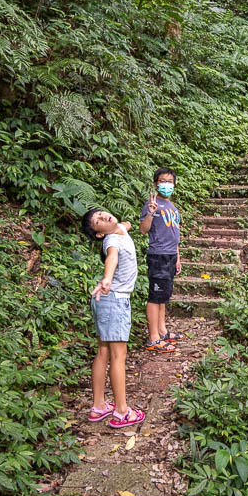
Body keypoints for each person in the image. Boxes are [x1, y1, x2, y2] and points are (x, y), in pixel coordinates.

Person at [82, 208, 146, 429]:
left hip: (106, 301)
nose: (103, 217)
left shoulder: (118, 229)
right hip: (115, 300)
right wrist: (107, 278)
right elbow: (112, 257)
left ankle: (99, 406)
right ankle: (121, 411)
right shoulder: (111, 241)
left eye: (101, 213)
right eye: (98, 221)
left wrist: (124, 224)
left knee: (103, 352)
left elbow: (125, 224)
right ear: (99, 234)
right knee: (118, 356)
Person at [139, 167, 183, 352]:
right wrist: (150, 212)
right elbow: (143, 229)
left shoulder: (173, 207)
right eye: (163, 181)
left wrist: (178, 257)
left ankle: (162, 331)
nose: (167, 184)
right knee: (155, 296)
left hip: (170, 256)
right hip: (158, 255)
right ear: (156, 183)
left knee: (163, 296)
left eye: (170, 181)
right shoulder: (152, 204)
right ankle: (153, 339)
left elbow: (176, 234)